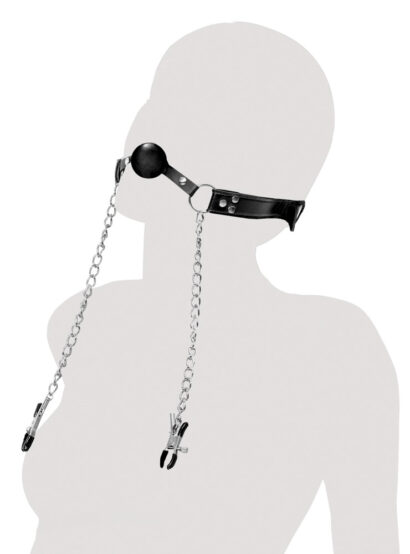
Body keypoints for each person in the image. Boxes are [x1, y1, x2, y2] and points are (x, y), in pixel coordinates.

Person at [23, 22, 399, 553]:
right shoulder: (88, 319)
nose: (143, 131)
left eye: (179, 108)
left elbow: (370, 541)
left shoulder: (330, 350)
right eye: (153, 101)